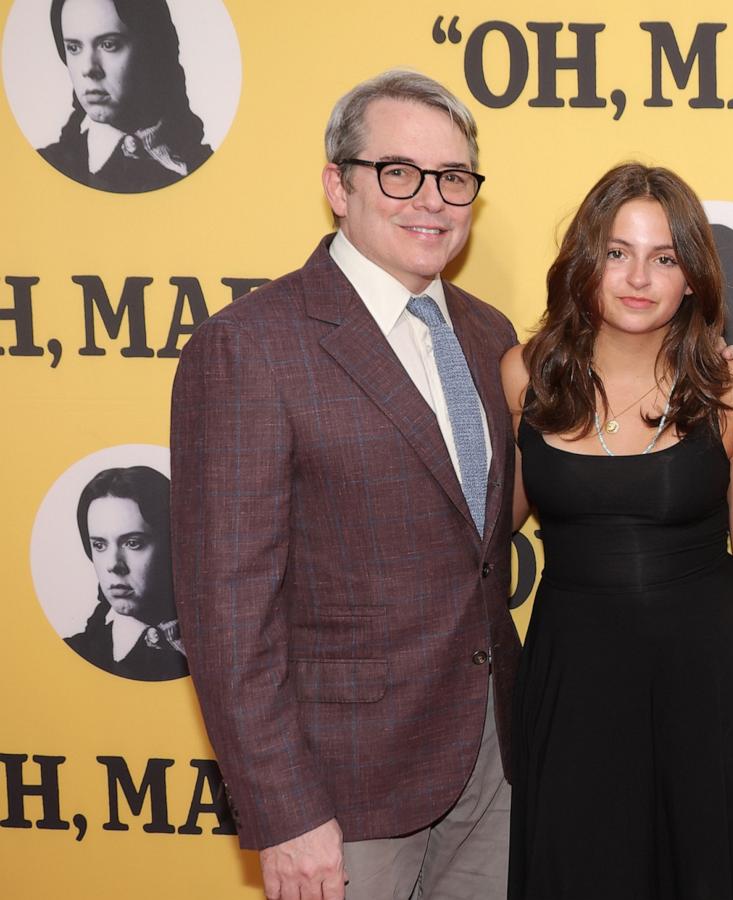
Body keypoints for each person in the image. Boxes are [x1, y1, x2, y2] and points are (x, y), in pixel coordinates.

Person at [170, 70, 519, 900]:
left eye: (455, 178)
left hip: (494, 766)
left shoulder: (489, 336)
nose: (431, 200)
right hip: (344, 790)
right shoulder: (249, 350)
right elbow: (227, 613)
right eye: (398, 172)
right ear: (338, 185)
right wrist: (283, 811)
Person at [497, 162, 733, 899]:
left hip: (709, 683)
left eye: (664, 257)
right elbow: (494, 525)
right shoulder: (524, 376)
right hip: (573, 683)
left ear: (692, 277)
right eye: (617, 252)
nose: (637, 277)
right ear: (585, 260)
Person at [40, 0, 213, 193]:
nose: (88, 69)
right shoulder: (44, 170)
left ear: (151, 50)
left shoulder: (208, 171)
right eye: (73, 48)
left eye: (108, 44)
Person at [65, 465, 187, 681]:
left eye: (133, 543)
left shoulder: (223, 650)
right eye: (100, 545)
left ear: (173, 545)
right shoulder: (71, 655)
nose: (113, 565)